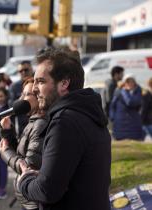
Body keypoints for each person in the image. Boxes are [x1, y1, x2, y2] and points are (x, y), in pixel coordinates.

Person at [17, 47, 111, 210]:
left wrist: (24, 181)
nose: (34, 88)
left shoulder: (64, 122)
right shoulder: (87, 113)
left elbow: (47, 191)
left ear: (64, 83)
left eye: (41, 81)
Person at [0, 77, 48, 210]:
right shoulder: (33, 121)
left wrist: (6, 153)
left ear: (39, 97)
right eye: (22, 94)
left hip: (34, 202)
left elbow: (29, 168)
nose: (22, 98)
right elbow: (22, 153)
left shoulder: (41, 124)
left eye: (27, 94)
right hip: (28, 199)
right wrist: (8, 132)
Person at [110, 74, 143, 140]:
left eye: (131, 81)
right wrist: (112, 117)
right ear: (124, 83)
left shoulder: (138, 91)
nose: (129, 83)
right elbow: (113, 105)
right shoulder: (117, 91)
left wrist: (124, 91)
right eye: (127, 81)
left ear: (135, 83)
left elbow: (130, 102)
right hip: (120, 124)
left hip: (133, 125)